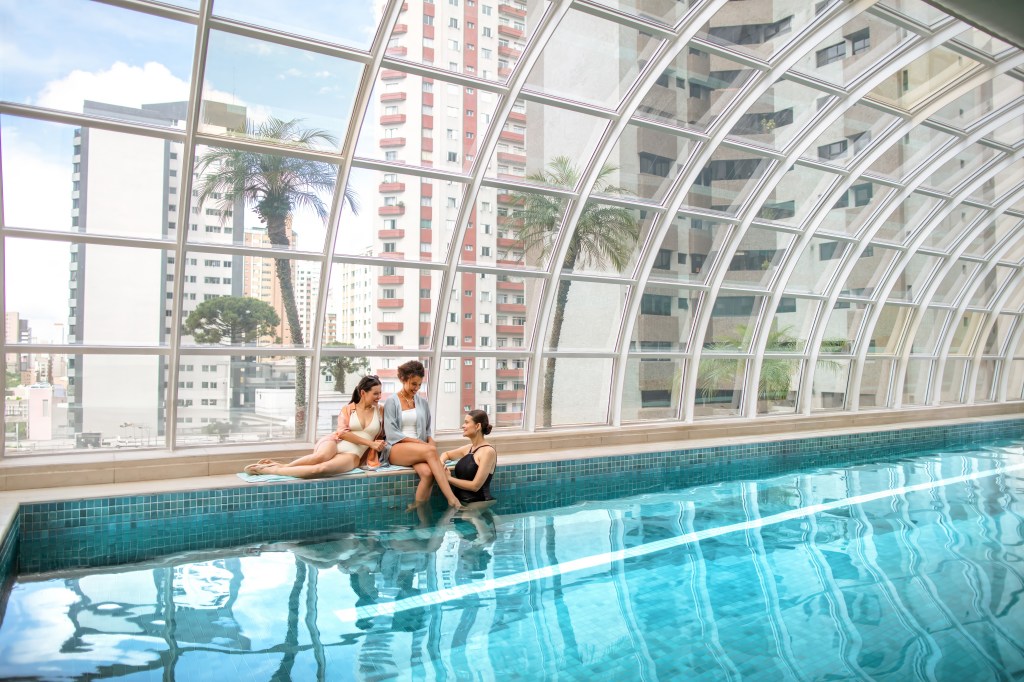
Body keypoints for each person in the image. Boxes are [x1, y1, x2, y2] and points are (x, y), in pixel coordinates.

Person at [243, 375, 386, 478]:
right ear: (363, 393)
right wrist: (370, 443)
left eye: (380, 393)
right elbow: (342, 433)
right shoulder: (348, 409)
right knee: (320, 457)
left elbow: (385, 433)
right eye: (375, 393)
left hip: (352, 454)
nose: (379, 396)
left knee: (319, 469)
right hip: (336, 443)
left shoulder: (380, 410)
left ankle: (272, 470)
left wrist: (379, 444)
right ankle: (283, 467)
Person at [383, 360, 464, 509]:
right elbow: (391, 434)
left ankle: (420, 513)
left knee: (427, 474)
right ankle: (452, 500)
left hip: (420, 450)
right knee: (430, 451)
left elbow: (427, 433)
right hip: (396, 448)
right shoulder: (391, 402)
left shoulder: (423, 403)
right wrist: (424, 446)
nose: (417, 388)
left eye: (420, 384)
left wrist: (429, 447)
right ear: (403, 379)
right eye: (414, 384)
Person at [441, 410, 496, 507]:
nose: (463, 426)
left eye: (466, 422)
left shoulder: (488, 452)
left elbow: (475, 486)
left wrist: (448, 479)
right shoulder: (468, 448)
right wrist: (441, 463)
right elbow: (446, 454)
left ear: (477, 426)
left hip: (479, 502)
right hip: (462, 501)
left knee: (466, 517)